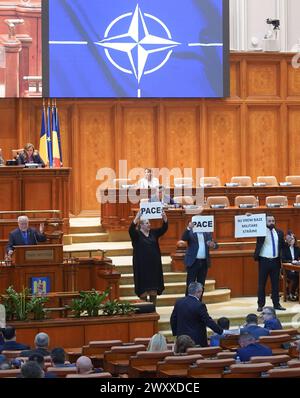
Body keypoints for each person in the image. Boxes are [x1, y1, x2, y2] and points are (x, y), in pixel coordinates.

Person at [129, 210, 168, 306]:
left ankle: (153, 310)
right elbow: (131, 230)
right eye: (147, 223)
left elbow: (163, 229)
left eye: (149, 223)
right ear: (141, 225)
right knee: (143, 290)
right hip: (142, 267)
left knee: (153, 290)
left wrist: (165, 219)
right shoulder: (137, 235)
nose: (149, 224)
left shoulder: (153, 233)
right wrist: (136, 218)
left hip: (154, 267)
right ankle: (145, 312)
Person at [170, 282, 223, 347]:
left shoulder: (179, 302)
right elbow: (208, 321)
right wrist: (221, 331)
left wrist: (177, 333)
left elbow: (173, 319)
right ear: (198, 292)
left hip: (181, 340)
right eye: (201, 292)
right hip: (196, 341)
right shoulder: (199, 305)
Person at [254, 214, 286, 311]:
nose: (272, 222)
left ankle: (276, 304)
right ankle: (260, 305)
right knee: (261, 284)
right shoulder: (260, 232)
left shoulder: (279, 232)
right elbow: (251, 226)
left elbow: (282, 246)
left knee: (275, 284)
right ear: (265, 222)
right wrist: (248, 217)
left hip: (275, 261)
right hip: (264, 261)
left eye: (273, 221)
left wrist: (288, 241)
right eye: (269, 221)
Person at [181, 220, 218, 294]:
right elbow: (184, 238)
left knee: (201, 285)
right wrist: (188, 228)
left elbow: (216, 245)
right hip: (193, 262)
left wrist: (213, 245)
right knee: (190, 284)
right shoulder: (191, 231)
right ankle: (188, 303)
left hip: (204, 262)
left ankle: (198, 303)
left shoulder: (207, 233)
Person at [282, 232, 300, 301]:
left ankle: (295, 293)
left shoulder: (297, 248)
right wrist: (291, 262)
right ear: (288, 240)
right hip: (287, 269)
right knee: (295, 277)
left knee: (298, 275)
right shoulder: (284, 249)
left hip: (296, 269)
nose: (292, 240)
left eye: (293, 239)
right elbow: (283, 260)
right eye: (291, 239)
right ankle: (292, 293)